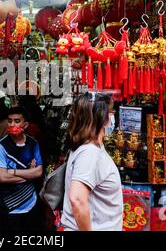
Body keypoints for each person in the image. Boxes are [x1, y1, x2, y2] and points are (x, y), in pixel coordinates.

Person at [61, 92, 122, 231]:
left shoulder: (90, 147)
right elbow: (77, 199)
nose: (112, 117)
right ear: (103, 118)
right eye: (111, 112)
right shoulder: (89, 152)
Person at [0, 106, 44, 231]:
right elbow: (3, 178)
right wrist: (29, 174)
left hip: (31, 202)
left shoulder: (33, 143)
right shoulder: (0, 146)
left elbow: (39, 172)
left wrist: (12, 172)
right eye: (10, 121)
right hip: (9, 205)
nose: (12, 124)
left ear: (25, 125)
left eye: (17, 121)